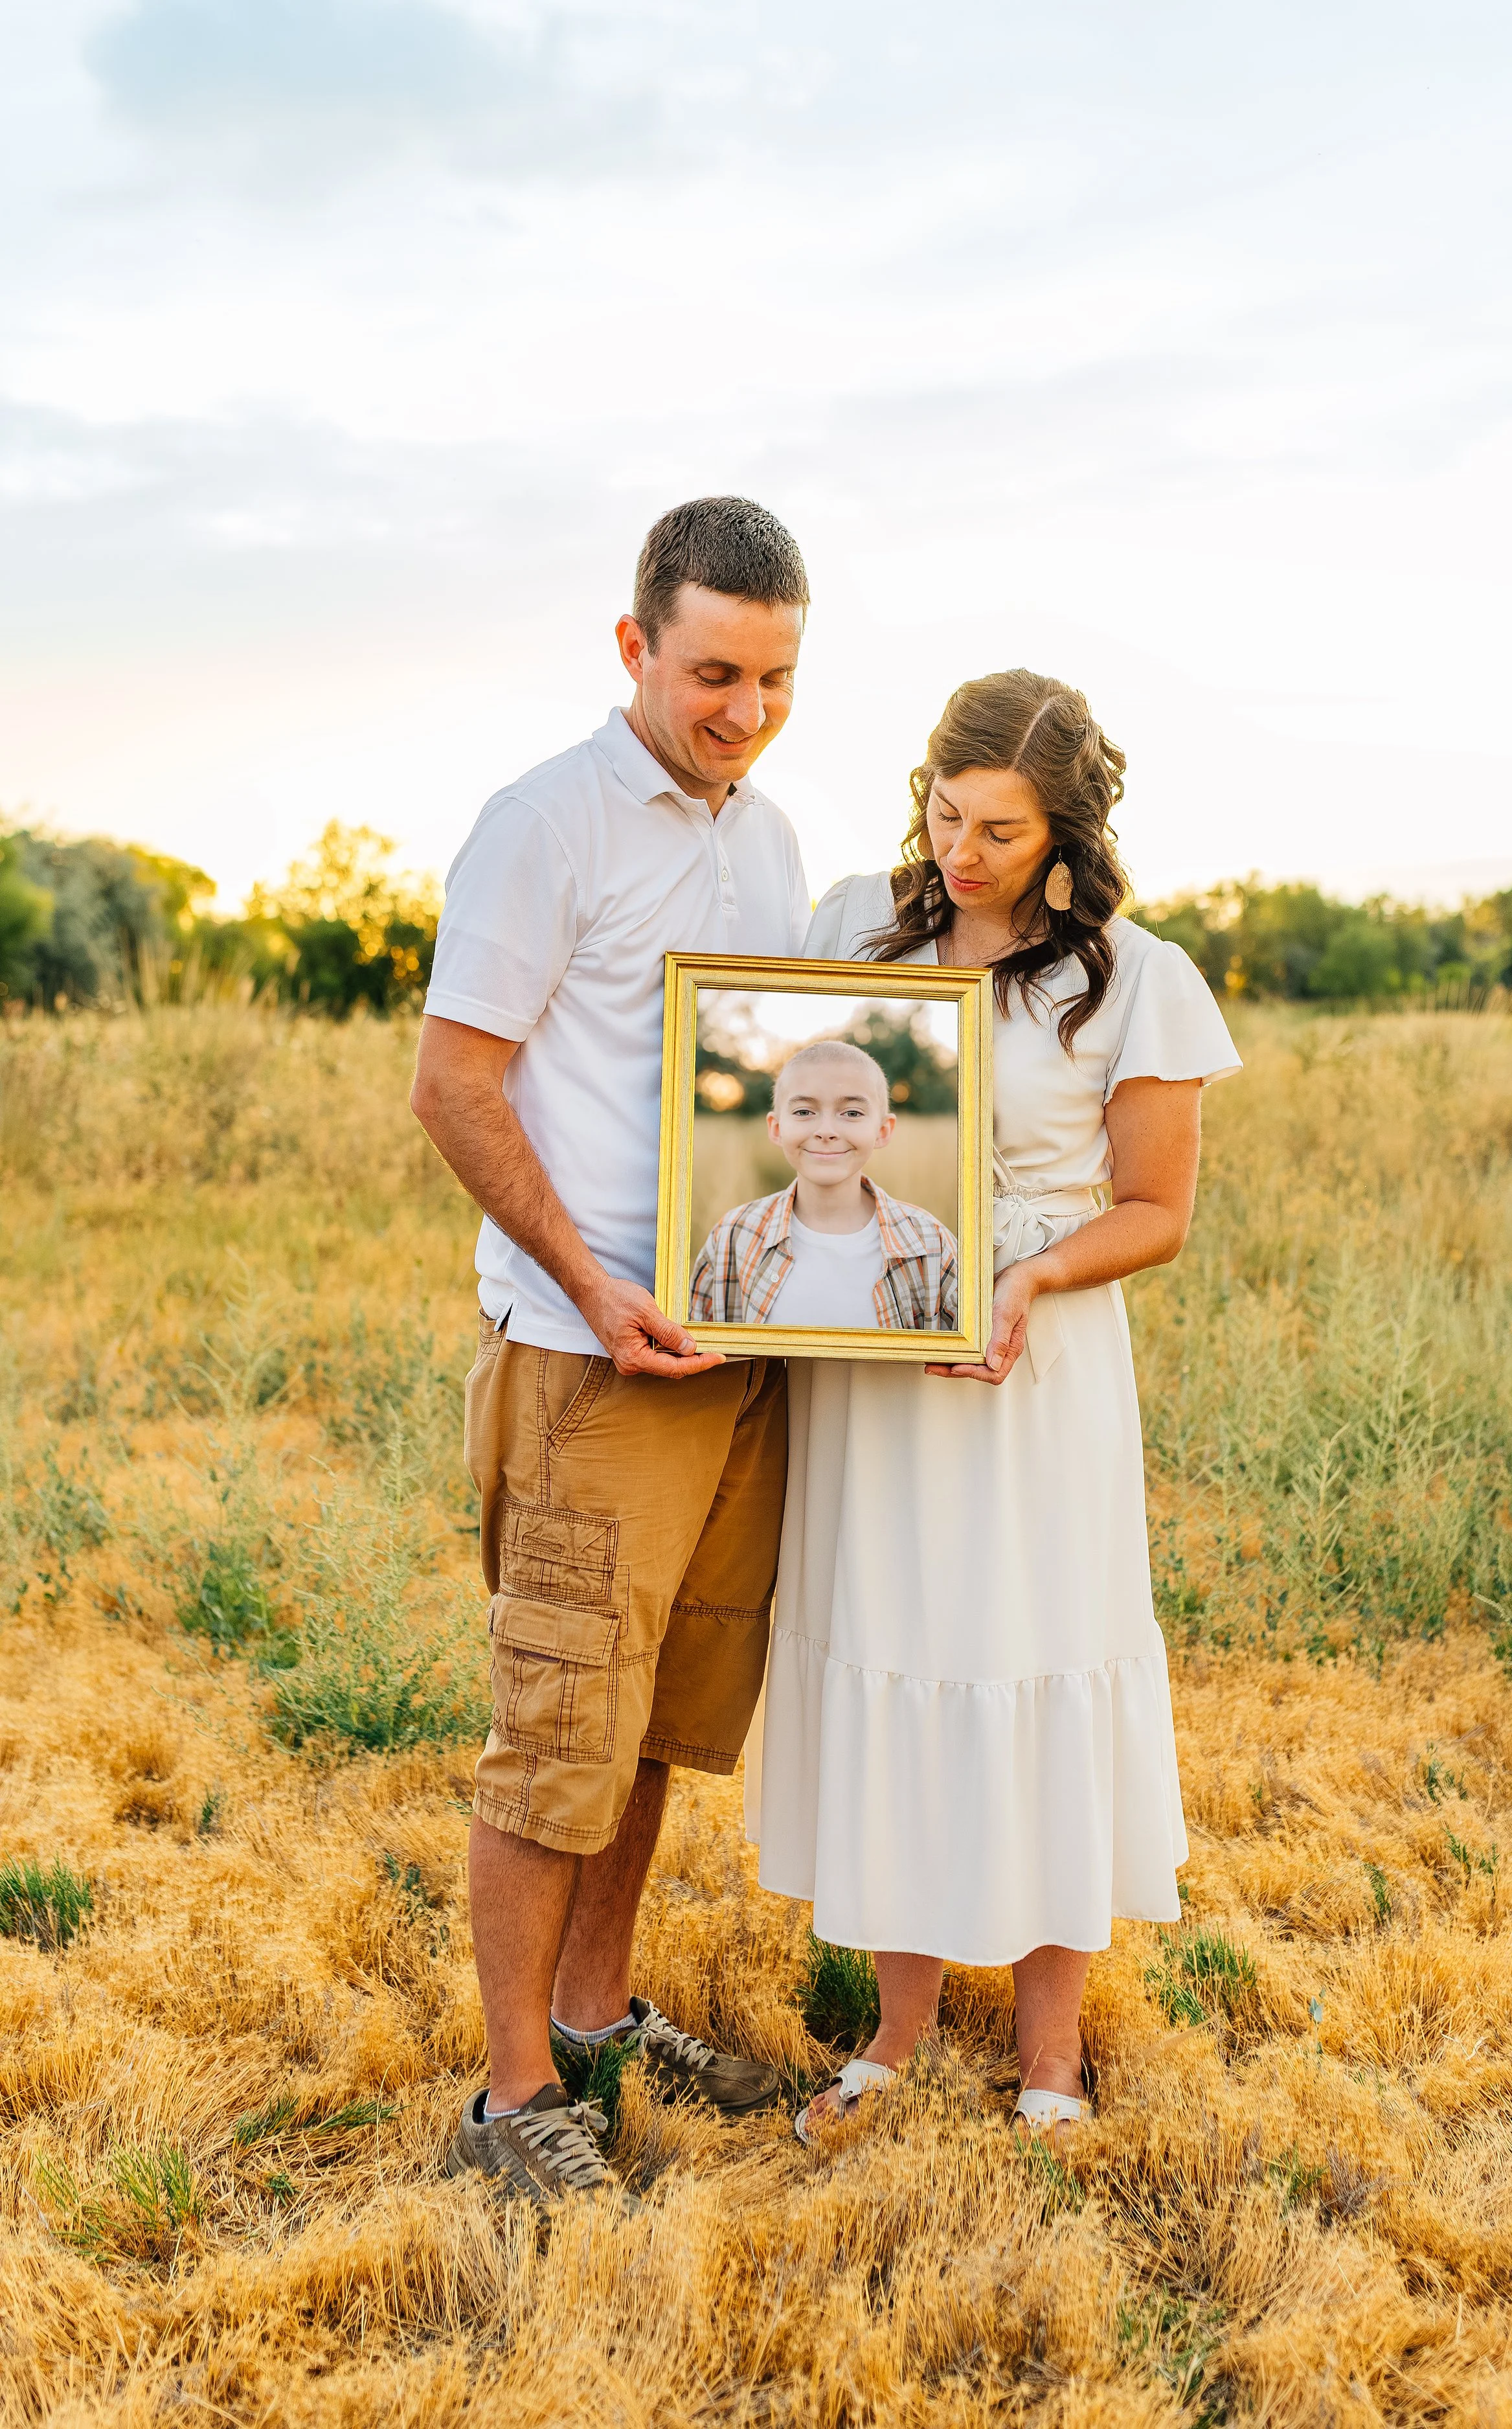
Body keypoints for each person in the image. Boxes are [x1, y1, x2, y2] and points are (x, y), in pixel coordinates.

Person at [747, 668, 1241, 2144]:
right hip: (877, 1363)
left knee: (1031, 1657)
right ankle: (895, 2033)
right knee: (894, 1644)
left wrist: (1025, 1284)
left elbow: (1155, 1208)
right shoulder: (852, 927)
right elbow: (759, 1082)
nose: (963, 850)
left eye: (1002, 830)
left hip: (1038, 1373)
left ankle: (1050, 2051)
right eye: (946, 814)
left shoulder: (1135, 975)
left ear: (1067, 831)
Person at [411, 497, 811, 2213]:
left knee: (642, 1727)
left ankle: (594, 2018)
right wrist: (591, 1287)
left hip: (731, 1355)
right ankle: (514, 2097)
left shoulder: (770, 834)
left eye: (777, 676)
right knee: (555, 1726)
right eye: (713, 669)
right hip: (593, 1361)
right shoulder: (544, 822)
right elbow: (454, 1079)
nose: (743, 708)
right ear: (634, 645)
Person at [689, 1040, 958, 1330]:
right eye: (804, 1112)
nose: (826, 1131)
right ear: (777, 1129)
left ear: (882, 1131)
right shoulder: (733, 1237)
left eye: (852, 1113)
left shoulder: (930, 1244)